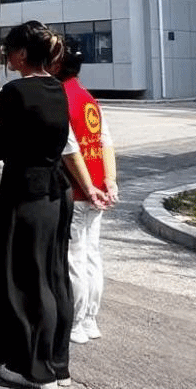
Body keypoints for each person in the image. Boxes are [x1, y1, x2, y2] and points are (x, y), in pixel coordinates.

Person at [0, 21, 74, 389]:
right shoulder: (57, 88)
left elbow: (3, 149)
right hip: (55, 191)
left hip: (23, 193)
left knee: (24, 279)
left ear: (20, 54)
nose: (6, 56)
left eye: (8, 51)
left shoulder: (15, 92)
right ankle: (57, 363)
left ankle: (32, 367)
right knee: (54, 275)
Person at [55, 47, 117, 345]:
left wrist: (88, 186)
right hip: (97, 192)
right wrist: (109, 182)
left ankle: (76, 322)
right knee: (92, 256)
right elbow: (105, 142)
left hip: (79, 192)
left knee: (74, 259)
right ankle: (90, 318)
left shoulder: (62, 99)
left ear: (56, 65)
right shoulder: (89, 99)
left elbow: (71, 151)